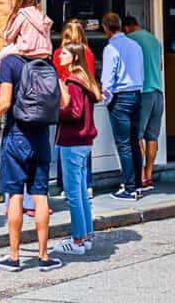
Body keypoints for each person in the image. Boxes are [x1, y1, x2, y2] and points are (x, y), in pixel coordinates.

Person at [0, 33, 62, 273]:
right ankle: (44, 257)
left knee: (15, 195)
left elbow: (4, 102)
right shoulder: (46, 65)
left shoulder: (10, 64)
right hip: (41, 137)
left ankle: (15, 257)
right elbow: (63, 101)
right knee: (40, 196)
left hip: (16, 135)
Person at [53, 43, 100, 256]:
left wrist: (56, 111)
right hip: (84, 143)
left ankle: (77, 241)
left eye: (63, 53)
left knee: (73, 194)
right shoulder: (85, 80)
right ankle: (86, 235)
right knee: (81, 192)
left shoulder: (73, 82)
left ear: (73, 57)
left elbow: (74, 113)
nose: (59, 55)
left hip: (72, 143)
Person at [101, 12, 144, 200]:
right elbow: (141, 71)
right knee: (134, 141)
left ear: (105, 28)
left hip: (121, 97)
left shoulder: (111, 48)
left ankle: (130, 187)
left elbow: (108, 79)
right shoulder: (135, 45)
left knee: (124, 144)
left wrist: (104, 99)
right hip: (136, 94)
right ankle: (138, 184)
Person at [52, 20, 95, 196]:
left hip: (66, 100)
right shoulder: (88, 53)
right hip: (86, 100)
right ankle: (87, 183)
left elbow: (55, 76)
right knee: (84, 139)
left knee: (64, 141)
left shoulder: (59, 54)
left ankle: (65, 184)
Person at [123, 15, 163, 193]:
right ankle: (149, 174)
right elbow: (160, 66)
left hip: (143, 92)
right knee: (152, 136)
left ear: (126, 27)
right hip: (158, 92)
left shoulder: (129, 40)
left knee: (137, 136)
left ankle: (140, 175)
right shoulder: (155, 40)